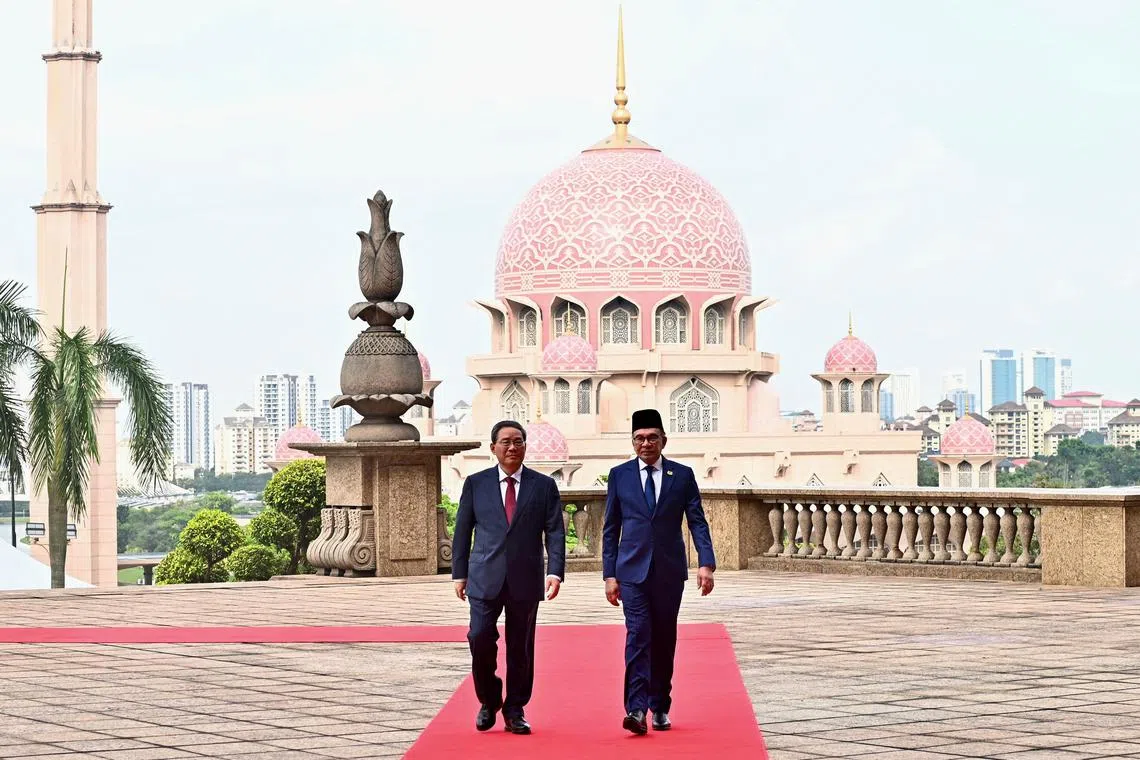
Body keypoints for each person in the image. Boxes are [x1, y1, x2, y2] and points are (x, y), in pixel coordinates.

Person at [602, 408, 716, 735]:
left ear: (664, 440)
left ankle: (660, 706)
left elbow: (697, 521)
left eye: (652, 438)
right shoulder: (620, 475)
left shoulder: (681, 475)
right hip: (631, 572)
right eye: (640, 438)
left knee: (664, 639)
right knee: (638, 635)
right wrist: (610, 574)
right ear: (633, 442)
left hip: (668, 572)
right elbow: (611, 529)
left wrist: (705, 563)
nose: (646, 444)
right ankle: (636, 710)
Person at [452, 419, 566, 735]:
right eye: (505, 442)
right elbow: (462, 531)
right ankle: (489, 699)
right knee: (479, 637)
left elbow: (555, 530)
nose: (512, 447)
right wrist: (459, 574)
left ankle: (515, 709)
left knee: (521, 647)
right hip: (483, 576)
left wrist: (555, 571)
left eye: (518, 441)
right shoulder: (476, 483)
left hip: (526, 579)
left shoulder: (543, 486)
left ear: (525, 446)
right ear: (493, 448)